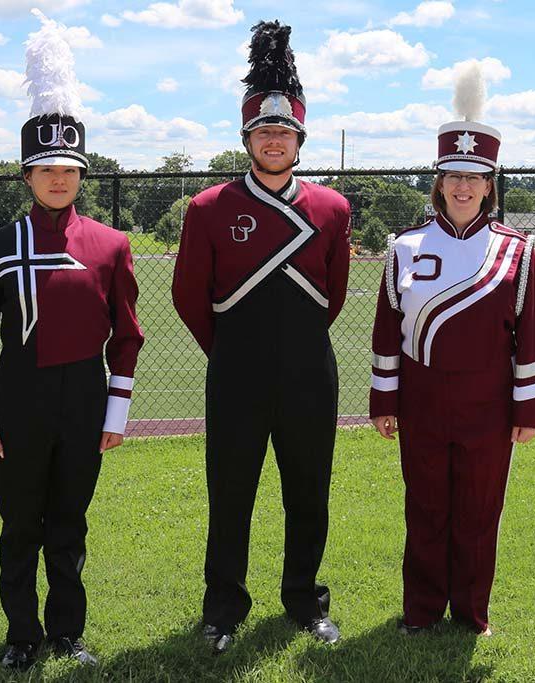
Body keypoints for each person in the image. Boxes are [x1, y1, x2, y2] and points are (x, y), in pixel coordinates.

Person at [0, 11, 143, 670]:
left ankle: (67, 631)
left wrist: (114, 413)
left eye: (68, 167)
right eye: (45, 168)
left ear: (82, 172)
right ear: (27, 175)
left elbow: (127, 335)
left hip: (86, 395)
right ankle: (21, 635)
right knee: (20, 525)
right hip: (19, 396)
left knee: (69, 524)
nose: (58, 178)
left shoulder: (111, 245)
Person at [172, 20, 351, 654]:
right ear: (247, 138)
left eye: (285, 132)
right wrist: (232, 352)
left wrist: (294, 347)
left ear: (300, 139)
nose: (274, 140)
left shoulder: (332, 208)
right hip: (236, 373)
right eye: (263, 131)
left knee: (309, 492)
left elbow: (334, 295)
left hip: (310, 373)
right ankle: (223, 607)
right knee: (231, 493)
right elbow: (189, 299)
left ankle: (305, 601)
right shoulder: (208, 207)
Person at [368, 117, 535, 637]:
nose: (463, 187)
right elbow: (387, 332)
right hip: (421, 400)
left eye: (474, 177)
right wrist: (385, 401)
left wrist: (528, 411)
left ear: (489, 185)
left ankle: (471, 614)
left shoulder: (517, 249)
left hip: (488, 405)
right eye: (453, 176)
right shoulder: (403, 246)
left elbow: (530, 338)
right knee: (424, 507)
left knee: (478, 512)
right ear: (439, 183)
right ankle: (421, 612)